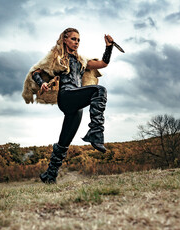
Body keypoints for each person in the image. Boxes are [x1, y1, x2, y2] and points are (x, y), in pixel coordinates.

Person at [22, 28, 114, 183]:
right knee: (100, 91)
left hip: (76, 103)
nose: (76, 42)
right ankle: (96, 133)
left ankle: (49, 176)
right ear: (64, 40)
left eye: (78, 40)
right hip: (66, 96)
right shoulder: (55, 56)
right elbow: (35, 72)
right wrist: (42, 83)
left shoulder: (81, 60)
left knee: (64, 143)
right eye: (73, 39)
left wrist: (109, 47)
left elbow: (103, 63)